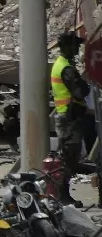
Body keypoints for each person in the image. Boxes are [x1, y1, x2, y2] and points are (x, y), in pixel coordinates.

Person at [52, 31, 90, 204]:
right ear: (67, 46)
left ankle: (64, 195)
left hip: (68, 117)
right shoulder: (66, 69)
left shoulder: (63, 64)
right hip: (68, 118)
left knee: (70, 159)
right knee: (68, 159)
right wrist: (83, 83)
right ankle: (63, 197)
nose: (78, 48)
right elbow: (80, 91)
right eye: (75, 45)